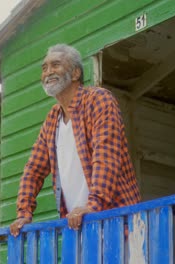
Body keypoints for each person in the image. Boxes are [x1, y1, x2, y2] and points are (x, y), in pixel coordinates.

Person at [9, 44, 141, 236]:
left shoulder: (99, 100)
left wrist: (93, 205)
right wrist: (23, 212)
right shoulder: (52, 119)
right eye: (44, 68)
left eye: (55, 65)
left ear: (76, 73)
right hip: (78, 228)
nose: (48, 72)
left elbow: (106, 157)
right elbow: (33, 170)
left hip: (119, 225)